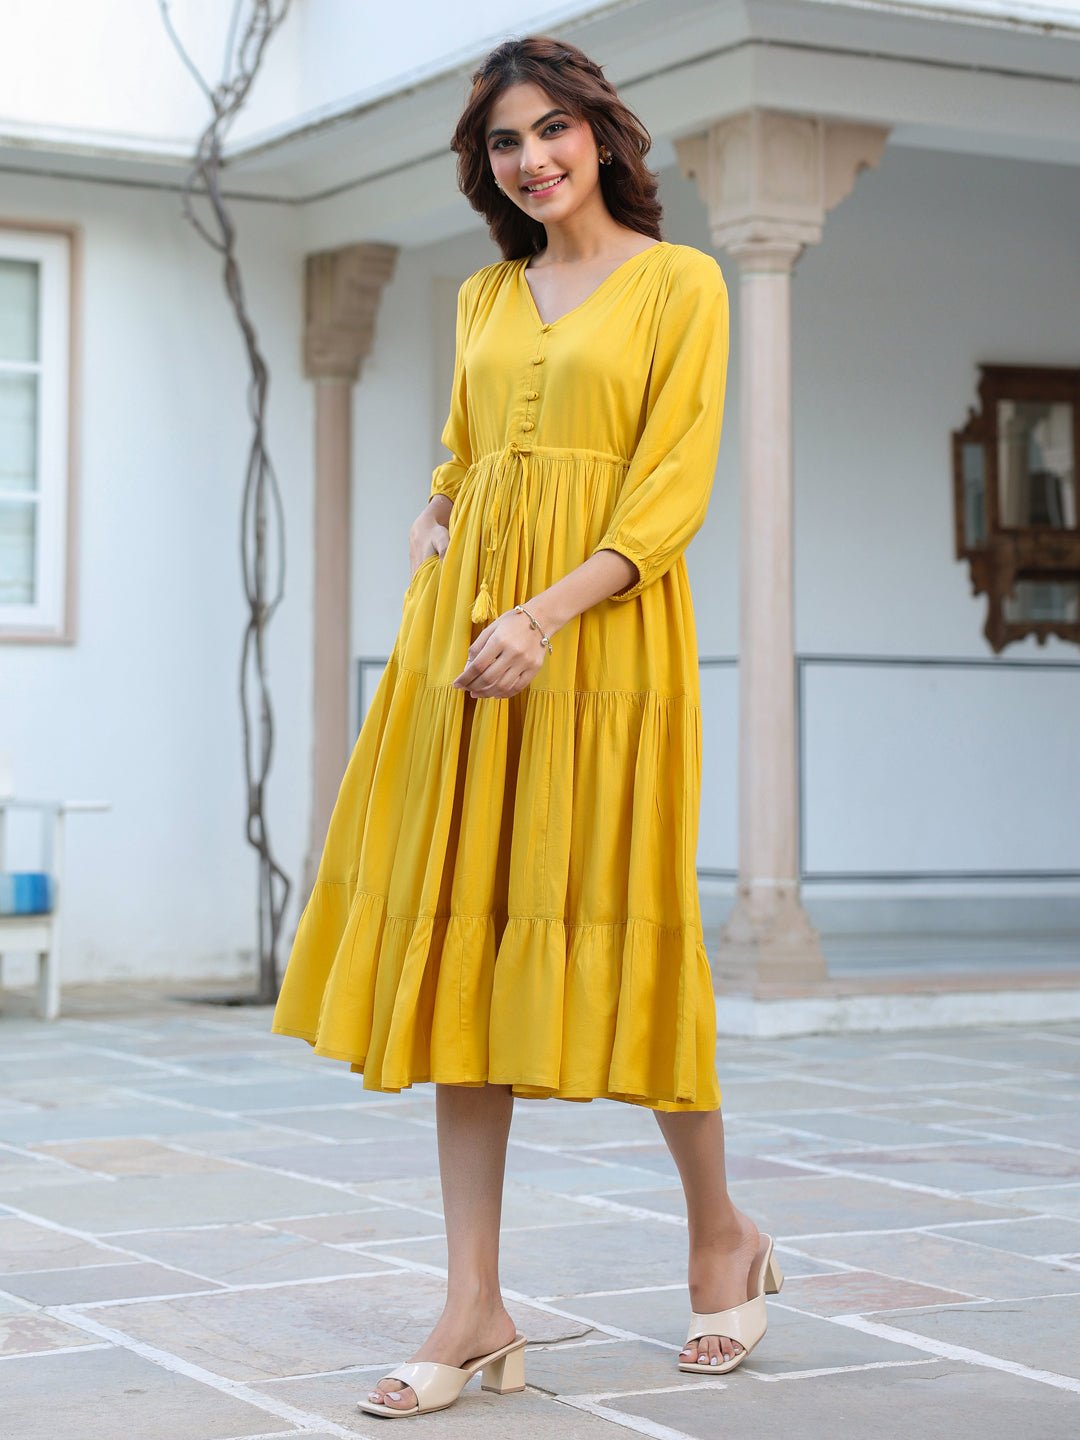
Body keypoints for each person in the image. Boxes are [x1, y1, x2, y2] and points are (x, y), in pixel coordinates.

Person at [270, 33, 783, 1421]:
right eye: (505, 141)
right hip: (471, 645)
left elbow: (669, 493)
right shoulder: (485, 295)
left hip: (599, 645)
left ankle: (721, 1232)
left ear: (601, 135)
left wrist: (545, 614)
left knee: (630, 928)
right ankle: (474, 1301)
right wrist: (438, 516)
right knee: (466, 945)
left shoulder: (681, 284)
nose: (532, 157)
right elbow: (465, 449)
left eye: (553, 129)